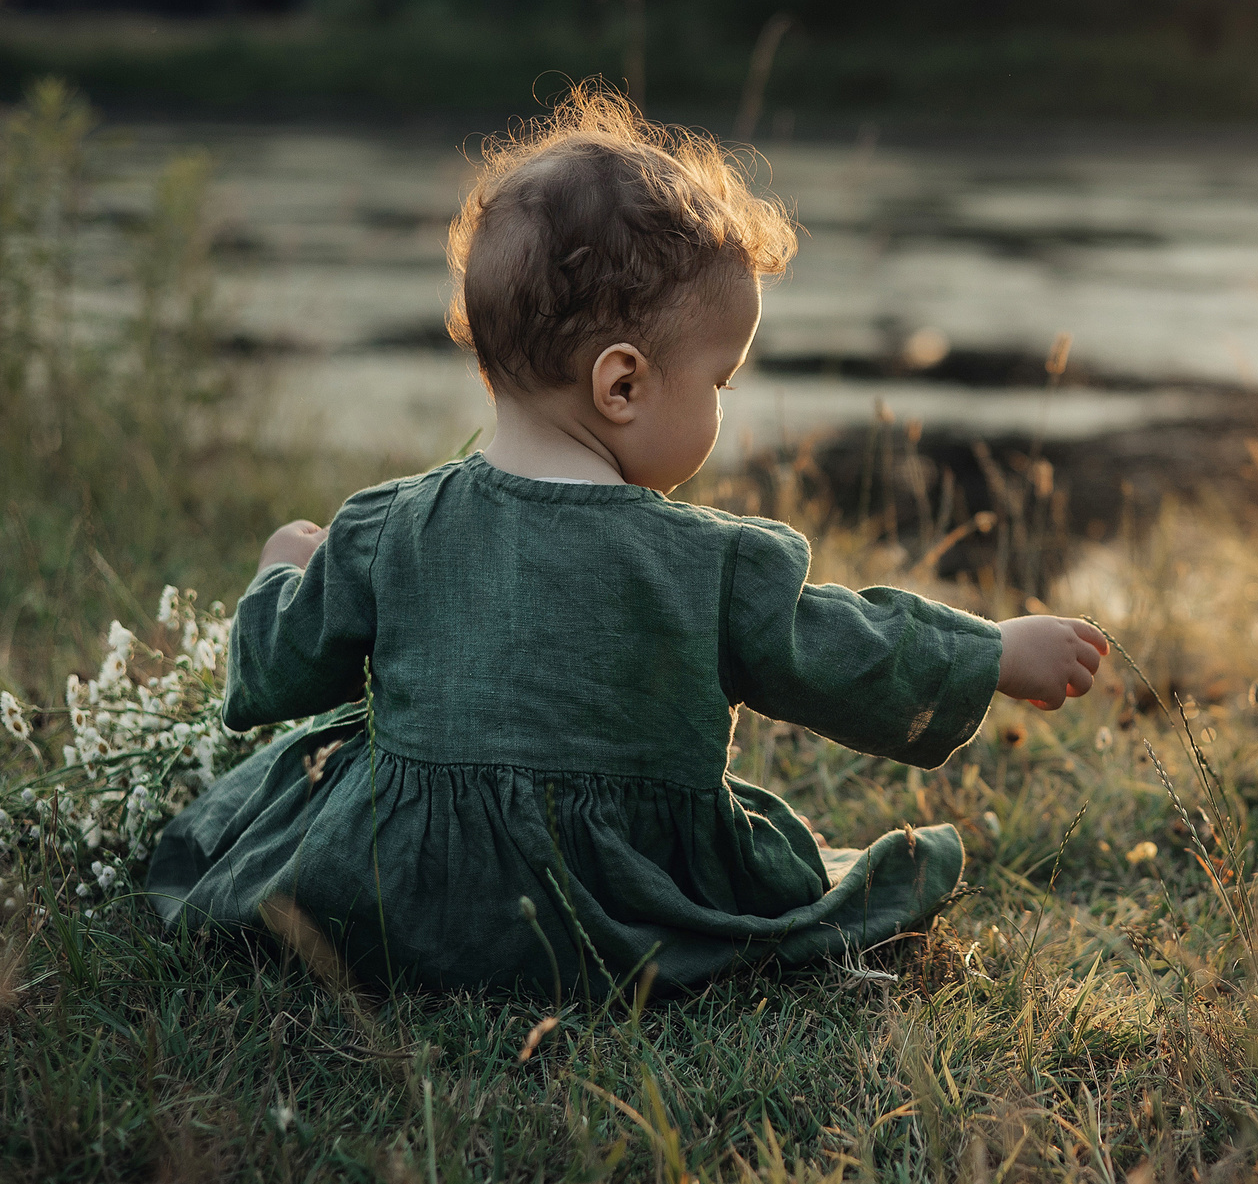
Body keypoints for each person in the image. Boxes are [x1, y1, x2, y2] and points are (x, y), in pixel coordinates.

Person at [145, 84, 1105, 997]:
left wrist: (281, 572)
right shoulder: (708, 564)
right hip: (621, 913)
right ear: (622, 385)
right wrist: (991, 652)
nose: (724, 406)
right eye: (720, 381)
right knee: (805, 871)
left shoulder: (382, 529)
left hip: (397, 905)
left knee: (286, 789)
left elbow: (271, 682)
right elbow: (847, 652)